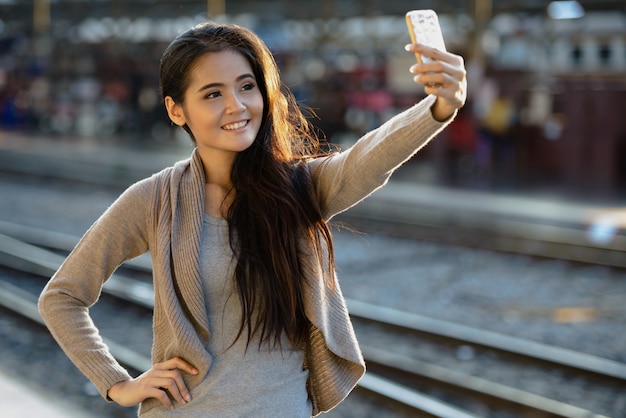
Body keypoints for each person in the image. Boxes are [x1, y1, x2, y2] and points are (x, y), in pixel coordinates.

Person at [38, 20, 466, 417]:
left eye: (247, 86)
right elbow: (62, 296)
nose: (237, 106)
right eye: (212, 93)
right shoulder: (154, 200)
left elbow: (366, 160)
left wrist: (437, 108)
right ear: (175, 110)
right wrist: (116, 383)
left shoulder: (298, 187)